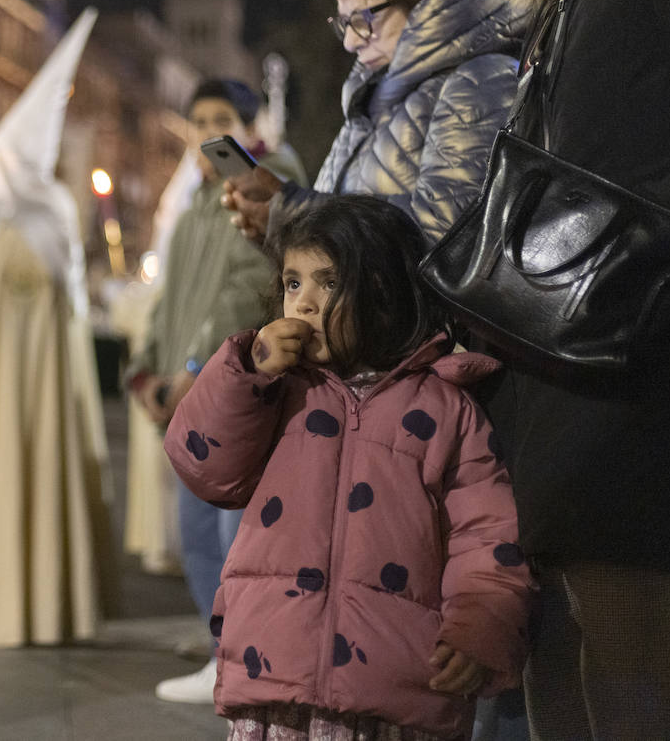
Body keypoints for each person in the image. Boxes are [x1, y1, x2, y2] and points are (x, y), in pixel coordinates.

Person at [165, 196, 534, 740]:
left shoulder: (445, 408)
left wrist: (481, 623)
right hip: (277, 677)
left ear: (383, 292)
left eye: (328, 283)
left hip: (390, 688)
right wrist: (247, 371)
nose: (304, 304)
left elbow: (488, 535)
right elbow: (205, 463)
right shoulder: (275, 390)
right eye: (293, 283)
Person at [490, 0, 670, 736]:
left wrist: (622, 249)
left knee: (635, 665)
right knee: (563, 666)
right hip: (560, 376)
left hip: (642, 384)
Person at [124, 78, 306, 703]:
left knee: (231, 535)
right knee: (196, 529)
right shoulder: (201, 195)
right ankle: (221, 655)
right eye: (198, 118)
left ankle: (242, 659)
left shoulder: (265, 179)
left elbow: (244, 287)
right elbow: (170, 297)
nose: (207, 129)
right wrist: (147, 368)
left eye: (221, 117)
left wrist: (196, 369)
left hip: (233, 384)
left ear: (249, 124)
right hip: (191, 389)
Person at [0, 10, 118, 648]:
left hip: (15, 390)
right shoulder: (43, 219)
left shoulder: (27, 224)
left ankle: (13, 606)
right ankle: (37, 604)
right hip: (20, 389)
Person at [224, 0, 526, 248]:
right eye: (343, 24)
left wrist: (295, 213)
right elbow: (345, 253)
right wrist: (277, 228)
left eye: (363, 18)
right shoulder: (374, 98)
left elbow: (439, 244)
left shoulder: (479, 82)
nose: (351, 41)